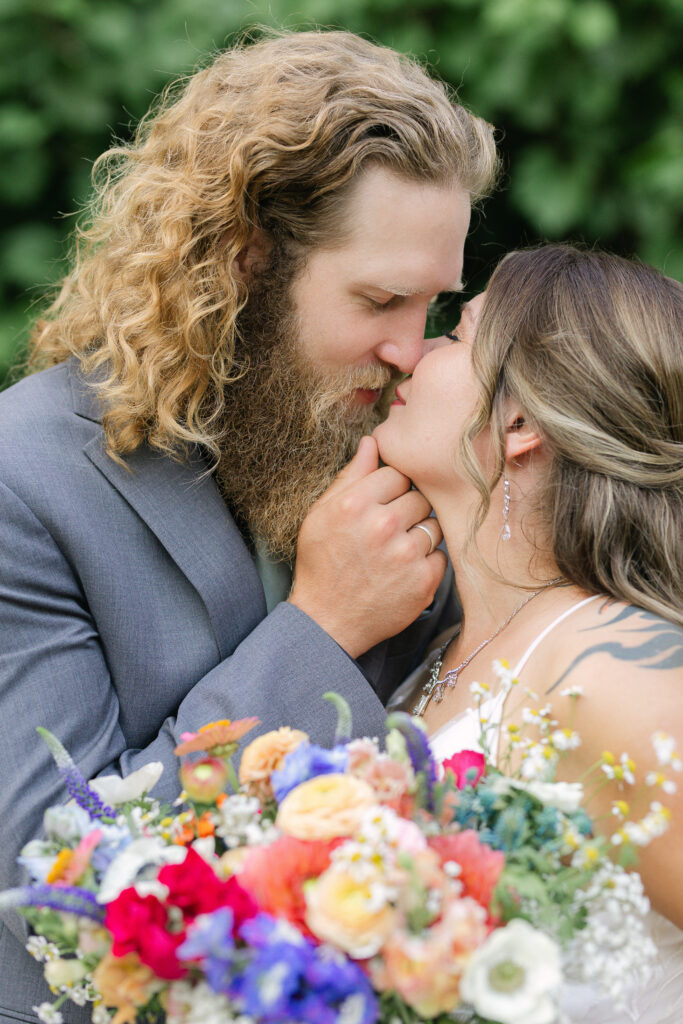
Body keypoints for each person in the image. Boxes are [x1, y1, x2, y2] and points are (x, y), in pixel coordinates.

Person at [0, 30, 498, 1019]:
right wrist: (318, 629)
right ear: (246, 261)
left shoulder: (389, 445)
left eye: (433, 305)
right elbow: (50, 878)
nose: (411, 351)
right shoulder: (26, 480)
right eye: (379, 299)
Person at [376, 244, 683, 1022]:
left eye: (453, 336)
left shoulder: (615, 670)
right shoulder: (429, 650)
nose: (413, 350)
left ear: (517, 421)